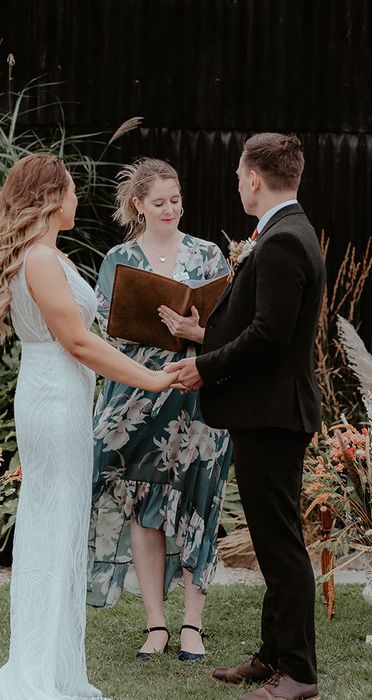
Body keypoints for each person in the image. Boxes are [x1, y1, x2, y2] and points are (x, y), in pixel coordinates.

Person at [0, 153, 179, 700]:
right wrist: (153, 380)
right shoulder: (42, 260)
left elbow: (91, 335)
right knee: (53, 526)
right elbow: (78, 342)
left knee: (61, 526)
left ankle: (56, 670)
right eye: (69, 190)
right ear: (50, 198)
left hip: (58, 393)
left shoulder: (47, 256)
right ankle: (36, 675)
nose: (76, 198)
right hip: (54, 400)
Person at [166, 133, 325, 700]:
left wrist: (205, 367)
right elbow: (257, 324)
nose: (237, 183)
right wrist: (203, 338)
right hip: (269, 412)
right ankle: (272, 655)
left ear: (255, 178)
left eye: (239, 174)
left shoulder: (283, 240)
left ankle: (299, 673)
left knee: (281, 545)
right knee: (270, 538)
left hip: (274, 415)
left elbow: (269, 335)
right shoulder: (284, 231)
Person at [87, 158, 233, 662]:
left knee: (200, 501)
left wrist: (197, 333)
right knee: (143, 505)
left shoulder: (209, 254)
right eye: (159, 202)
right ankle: (156, 624)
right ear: (138, 205)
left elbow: (235, 329)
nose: (170, 209)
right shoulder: (119, 258)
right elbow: (103, 328)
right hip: (139, 399)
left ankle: (193, 622)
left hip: (199, 397)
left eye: (176, 200)